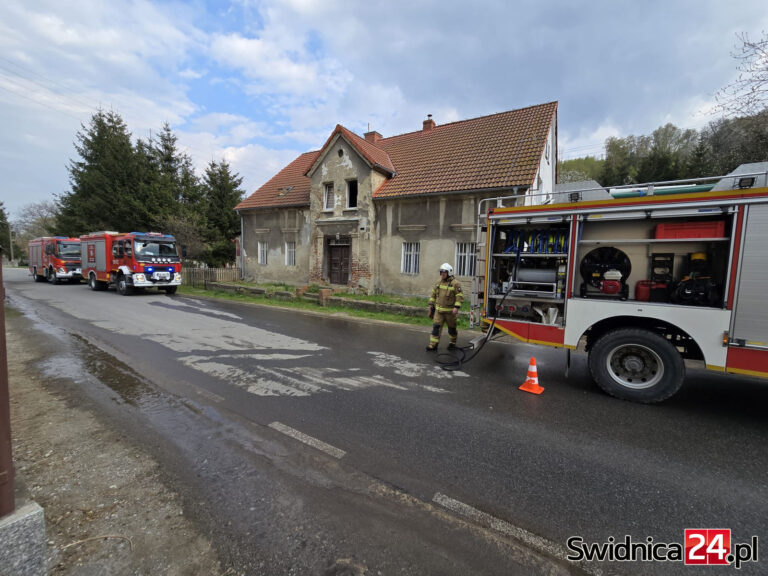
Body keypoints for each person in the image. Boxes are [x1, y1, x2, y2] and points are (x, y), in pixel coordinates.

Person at [426, 263, 463, 351]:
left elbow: (459, 296)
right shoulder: (438, 282)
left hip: (450, 312)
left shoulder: (455, 284)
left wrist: (456, 307)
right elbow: (433, 294)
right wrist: (431, 304)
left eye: (444, 272)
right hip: (438, 312)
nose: (442, 274)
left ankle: (452, 343)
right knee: (436, 328)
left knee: (452, 329)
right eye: (441, 272)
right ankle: (433, 345)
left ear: (449, 273)